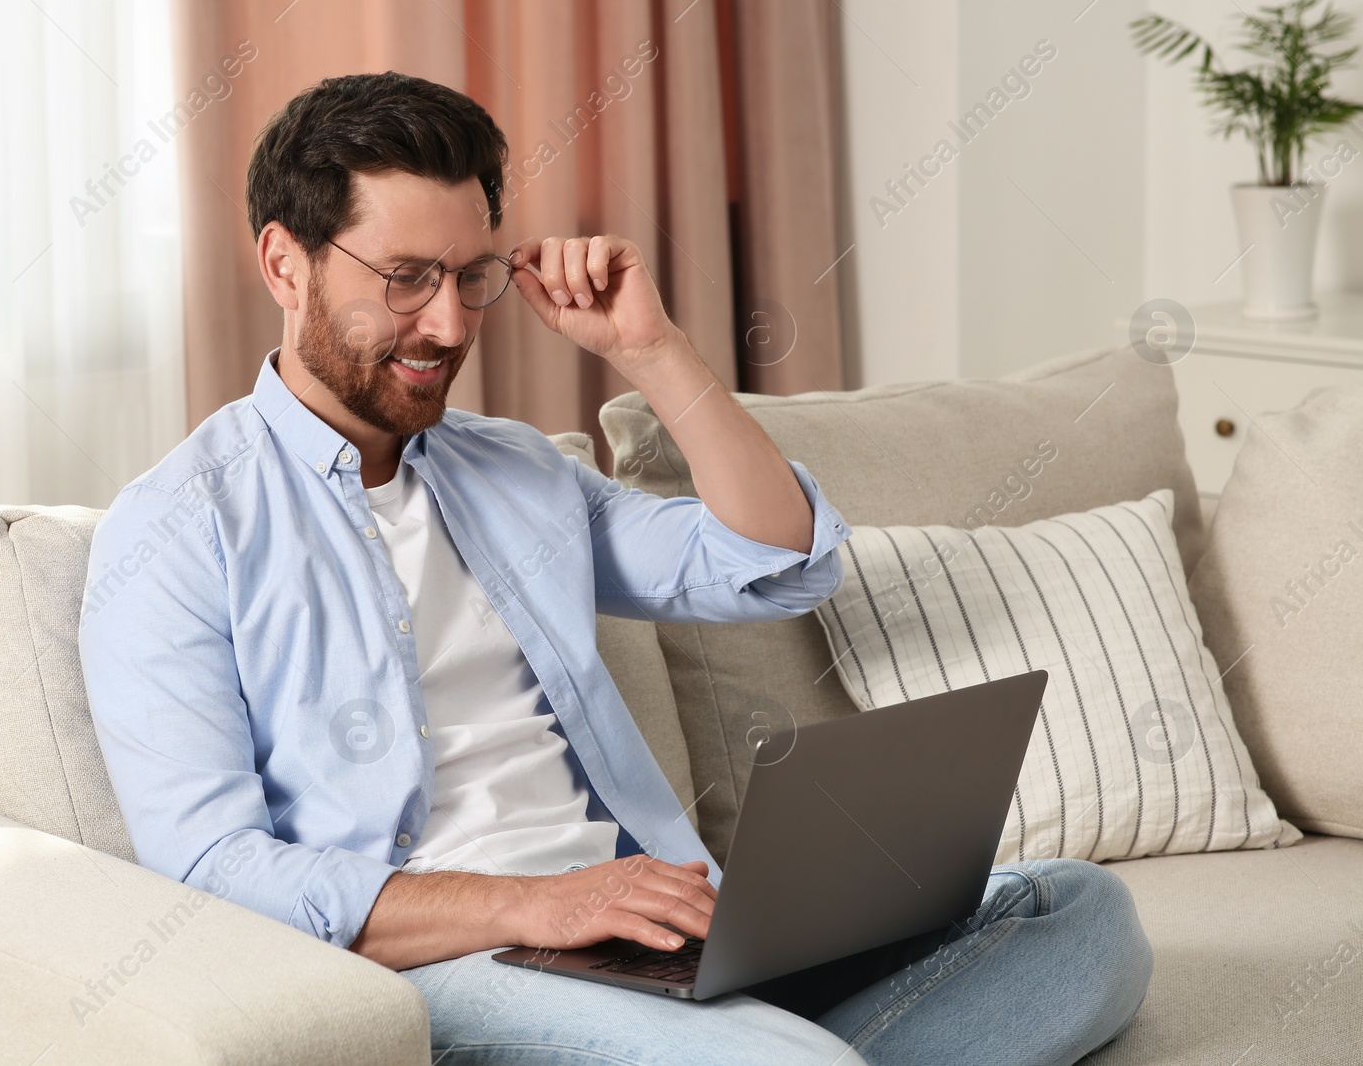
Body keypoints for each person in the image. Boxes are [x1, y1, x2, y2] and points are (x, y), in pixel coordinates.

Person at [78, 70, 1152, 1065]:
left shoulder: (513, 471)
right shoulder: (178, 528)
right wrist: (534, 905)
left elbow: (772, 562)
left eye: (471, 276)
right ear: (283, 260)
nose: (448, 324)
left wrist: (651, 350)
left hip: (644, 932)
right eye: (406, 279)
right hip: (455, 970)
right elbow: (211, 871)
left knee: (1070, 913)